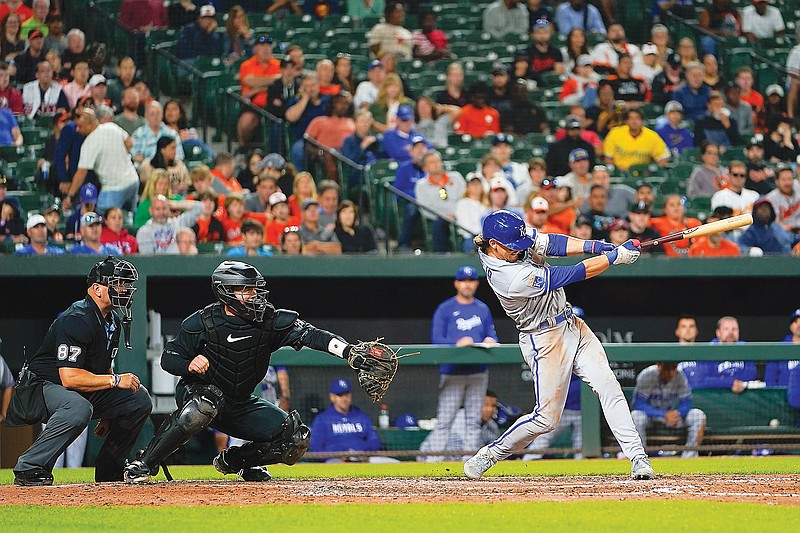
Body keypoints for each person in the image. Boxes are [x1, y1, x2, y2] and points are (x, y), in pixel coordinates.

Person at [124, 261, 394, 482]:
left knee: (296, 438)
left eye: (255, 290)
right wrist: (188, 364)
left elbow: (311, 335)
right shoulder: (203, 322)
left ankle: (239, 460)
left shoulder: (268, 321)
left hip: (241, 402)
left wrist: (347, 352)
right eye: (246, 290)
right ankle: (144, 462)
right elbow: (169, 358)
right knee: (203, 406)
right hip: (199, 394)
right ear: (226, 292)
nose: (254, 296)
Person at [462, 210, 654, 480]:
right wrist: (614, 257)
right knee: (546, 419)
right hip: (543, 338)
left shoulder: (508, 238)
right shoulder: (508, 277)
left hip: (570, 322)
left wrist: (596, 246)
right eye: (513, 248)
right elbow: (571, 274)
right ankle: (490, 455)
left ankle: (638, 458)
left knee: (608, 385)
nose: (520, 250)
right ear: (493, 245)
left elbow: (551, 244)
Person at [9, 257, 150, 485]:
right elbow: (69, 377)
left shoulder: (111, 320)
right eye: (117, 283)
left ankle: (110, 469)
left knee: (138, 398)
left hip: (76, 388)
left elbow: (103, 366)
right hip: (42, 386)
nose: (123, 289)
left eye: (125, 284)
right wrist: (115, 381)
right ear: (97, 289)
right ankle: (30, 466)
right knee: (78, 408)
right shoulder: (76, 318)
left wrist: (109, 412)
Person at [419, 265, 499, 462]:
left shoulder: (482, 308)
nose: (467, 284)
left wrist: (490, 339)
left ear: (476, 284)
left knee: (473, 422)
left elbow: (491, 334)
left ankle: (470, 465)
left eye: (471, 280)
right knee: (445, 421)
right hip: (453, 372)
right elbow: (436, 340)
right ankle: (432, 464)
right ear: (456, 283)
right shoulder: (445, 309)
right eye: (463, 280)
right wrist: (458, 344)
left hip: (478, 371)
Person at [64, 108, 140, 213]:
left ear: (90, 124)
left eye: (80, 126)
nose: (77, 129)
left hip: (114, 188)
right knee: (129, 219)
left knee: (103, 219)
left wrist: (70, 195)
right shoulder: (111, 126)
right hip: (133, 181)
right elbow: (129, 143)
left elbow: (81, 172)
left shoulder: (89, 143)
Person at [631, 362, 707, 458]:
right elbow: (638, 404)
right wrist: (664, 414)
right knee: (636, 416)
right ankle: (640, 457)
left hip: (672, 418)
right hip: (651, 418)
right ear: (659, 366)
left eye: (673, 368)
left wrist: (677, 413)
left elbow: (686, 402)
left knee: (698, 415)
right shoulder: (647, 375)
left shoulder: (679, 376)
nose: (671, 373)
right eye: (667, 369)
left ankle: (689, 457)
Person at [309, 378, 383, 461]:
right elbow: (316, 449)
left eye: (346, 394)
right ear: (332, 397)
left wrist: (364, 452)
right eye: (340, 395)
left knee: (391, 464)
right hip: (336, 461)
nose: (344, 399)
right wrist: (338, 454)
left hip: (363, 459)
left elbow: (375, 442)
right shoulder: (322, 419)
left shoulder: (362, 417)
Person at [682, 316, 758, 393]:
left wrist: (734, 383)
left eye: (734, 329)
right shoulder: (708, 352)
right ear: (718, 333)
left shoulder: (745, 349)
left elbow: (751, 374)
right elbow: (704, 380)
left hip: (744, 395)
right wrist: (731, 383)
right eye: (726, 329)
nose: (731, 332)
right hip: (716, 396)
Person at [522, 374, 582, 461]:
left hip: (583, 412)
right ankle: (529, 459)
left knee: (581, 441)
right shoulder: (564, 369)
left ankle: (581, 461)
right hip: (562, 410)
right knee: (545, 435)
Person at [414, 150, 466, 252]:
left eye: (438, 161)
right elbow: (425, 209)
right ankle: (441, 255)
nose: (437, 164)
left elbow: (465, 198)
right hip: (439, 218)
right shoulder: (421, 185)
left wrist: (455, 213)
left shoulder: (456, 177)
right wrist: (445, 216)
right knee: (438, 224)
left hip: (460, 215)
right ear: (425, 168)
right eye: (432, 162)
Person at [236, 34, 281, 150]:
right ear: (255, 48)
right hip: (253, 104)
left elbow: (282, 82)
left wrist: (257, 88)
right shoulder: (247, 65)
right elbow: (250, 81)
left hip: (273, 103)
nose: (266, 49)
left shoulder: (278, 64)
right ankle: (243, 149)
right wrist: (274, 80)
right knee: (245, 123)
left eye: (268, 46)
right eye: (262, 46)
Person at [604, 109, 670, 172]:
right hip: (619, 173)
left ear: (642, 121)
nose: (634, 121)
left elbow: (664, 156)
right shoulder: (615, 133)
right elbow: (608, 157)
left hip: (642, 173)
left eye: (637, 118)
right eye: (631, 118)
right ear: (626, 121)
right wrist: (615, 170)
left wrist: (654, 170)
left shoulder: (652, 136)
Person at [136, 195, 203, 254]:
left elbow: (199, 207)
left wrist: (175, 204)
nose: (161, 212)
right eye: (157, 209)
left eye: (164, 208)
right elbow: (147, 259)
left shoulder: (177, 223)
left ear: (169, 208)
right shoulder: (144, 231)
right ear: (151, 211)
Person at [131, 102, 184, 167]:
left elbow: (179, 157)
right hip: (146, 170)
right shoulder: (138, 134)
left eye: (158, 113)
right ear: (146, 116)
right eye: (152, 114)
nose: (155, 117)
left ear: (162, 115)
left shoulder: (172, 134)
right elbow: (133, 156)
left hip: (168, 170)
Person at [766, 165, 800, 233]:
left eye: (790, 179)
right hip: (784, 232)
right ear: (777, 181)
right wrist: (789, 229)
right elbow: (775, 222)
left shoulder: (798, 187)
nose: (787, 183)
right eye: (784, 180)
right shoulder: (771, 198)